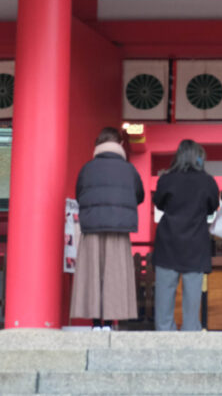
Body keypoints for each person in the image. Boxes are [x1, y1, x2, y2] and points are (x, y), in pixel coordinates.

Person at [71, 127, 145, 330]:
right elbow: (139, 195)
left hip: (92, 226)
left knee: (92, 273)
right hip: (119, 228)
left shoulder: (87, 168)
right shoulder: (129, 169)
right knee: (115, 273)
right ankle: (111, 323)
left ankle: (95, 324)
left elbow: (79, 194)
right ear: (120, 145)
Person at [152, 139, 220, 331]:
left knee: (164, 299)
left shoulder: (167, 179)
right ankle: (191, 334)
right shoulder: (207, 181)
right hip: (196, 243)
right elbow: (212, 207)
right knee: (192, 299)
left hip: (168, 243)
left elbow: (158, 203)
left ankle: (165, 336)